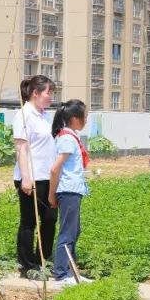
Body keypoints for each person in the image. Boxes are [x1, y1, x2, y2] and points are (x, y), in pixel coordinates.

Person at [12, 75, 58, 278]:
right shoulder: (23, 115)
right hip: (31, 177)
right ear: (35, 93)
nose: (50, 97)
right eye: (48, 92)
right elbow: (21, 149)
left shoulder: (44, 115)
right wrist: (26, 178)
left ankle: (43, 259)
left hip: (47, 176)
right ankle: (27, 265)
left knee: (50, 218)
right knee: (29, 222)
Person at [48, 99, 93, 288]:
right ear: (75, 118)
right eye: (84, 117)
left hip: (73, 190)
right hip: (68, 190)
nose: (86, 121)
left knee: (74, 231)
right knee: (67, 232)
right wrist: (52, 194)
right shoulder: (67, 138)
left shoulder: (70, 136)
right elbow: (55, 169)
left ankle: (72, 272)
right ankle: (62, 273)